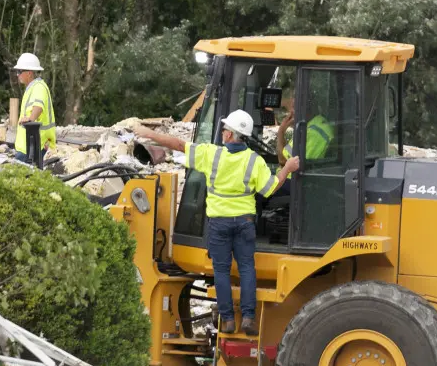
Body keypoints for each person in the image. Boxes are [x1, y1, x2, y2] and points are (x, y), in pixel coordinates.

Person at [133, 110, 301, 336]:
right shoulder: (254, 160)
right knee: (247, 269)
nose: (222, 132)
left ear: (231, 135)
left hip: (219, 225)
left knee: (221, 271)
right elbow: (270, 188)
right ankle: (249, 317)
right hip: (244, 223)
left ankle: (229, 320)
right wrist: (287, 169)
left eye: (225, 130)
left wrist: (146, 133)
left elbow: (177, 144)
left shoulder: (212, 155)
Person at [12, 52, 56, 164]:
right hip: (28, 146)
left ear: (29, 73)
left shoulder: (39, 87)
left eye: (20, 71)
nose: (18, 75)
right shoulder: (32, 88)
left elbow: (39, 106)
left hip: (35, 146)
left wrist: (31, 118)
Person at [276, 93, 334, 166]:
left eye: (294, 107)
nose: (291, 112)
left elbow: (283, 161)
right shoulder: (311, 126)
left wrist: (281, 131)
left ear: (304, 109)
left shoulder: (314, 132)